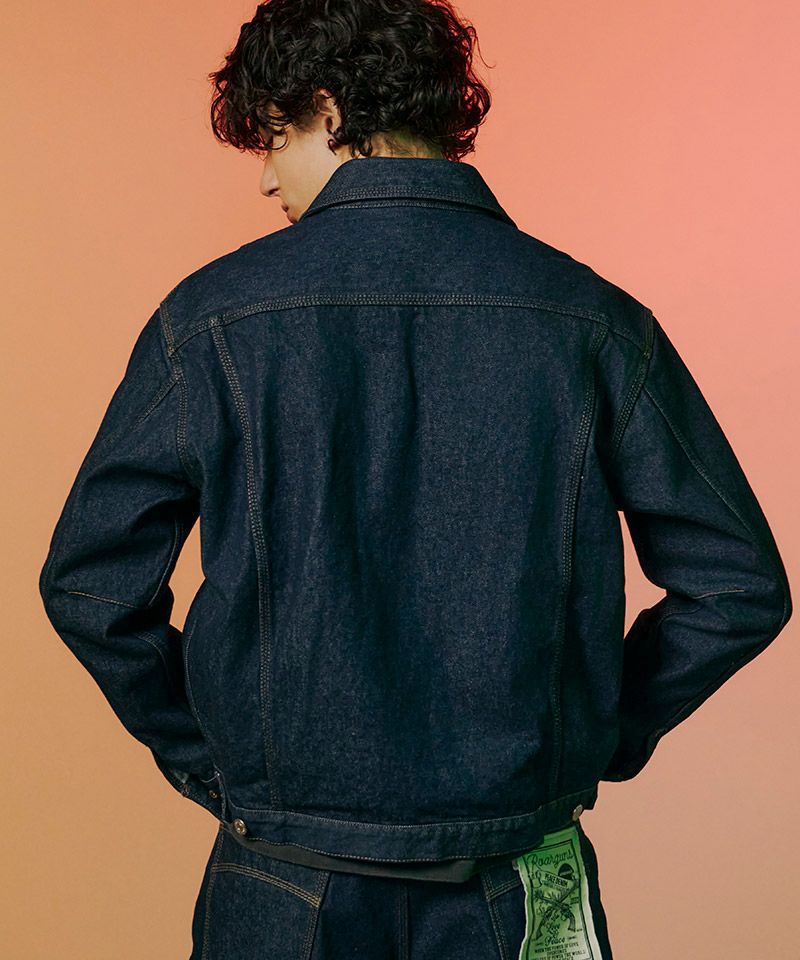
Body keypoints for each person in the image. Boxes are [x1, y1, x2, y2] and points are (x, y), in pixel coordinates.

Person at [38, 1, 792, 957]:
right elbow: (737, 588)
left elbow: (91, 587)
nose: (266, 177)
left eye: (273, 138)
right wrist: (595, 736)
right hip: (519, 877)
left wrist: (222, 765)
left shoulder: (211, 318)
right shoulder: (595, 319)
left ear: (325, 109)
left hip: (282, 879)